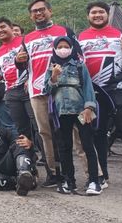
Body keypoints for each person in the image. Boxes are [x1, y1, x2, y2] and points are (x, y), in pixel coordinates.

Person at [79, 0, 122, 189]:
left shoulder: (121, 34)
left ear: (108, 15)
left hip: (119, 90)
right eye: (93, 13)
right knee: (98, 134)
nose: (97, 15)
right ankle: (102, 176)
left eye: (101, 12)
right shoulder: (81, 37)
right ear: (88, 16)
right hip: (93, 94)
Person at [16, 0, 82, 188]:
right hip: (37, 90)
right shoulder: (27, 38)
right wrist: (18, 61)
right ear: (30, 16)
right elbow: (24, 66)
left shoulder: (64, 31)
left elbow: (79, 56)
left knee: (75, 132)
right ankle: (54, 173)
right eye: (34, 11)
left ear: (50, 11)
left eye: (42, 10)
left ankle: (93, 174)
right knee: (45, 132)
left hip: (65, 89)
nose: (38, 13)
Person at [43, 37, 101, 195]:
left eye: (66, 46)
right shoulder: (51, 68)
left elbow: (88, 86)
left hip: (81, 110)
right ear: (54, 49)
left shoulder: (79, 66)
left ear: (72, 48)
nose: (63, 49)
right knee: (64, 147)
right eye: (59, 46)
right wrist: (54, 77)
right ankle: (70, 181)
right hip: (61, 112)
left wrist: (89, 107)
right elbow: (46, 90)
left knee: (87, 145)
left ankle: (95, 181)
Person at [0, 18, 39, 151]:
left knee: (37, 124)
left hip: (29, 88)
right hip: (11, 92)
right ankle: (28, 161)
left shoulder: (25, 41)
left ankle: (50, 162)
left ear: (11, 28)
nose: (0, 30)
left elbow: (37, 61)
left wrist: (30, 78)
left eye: (2, 27)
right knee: (21, 128)